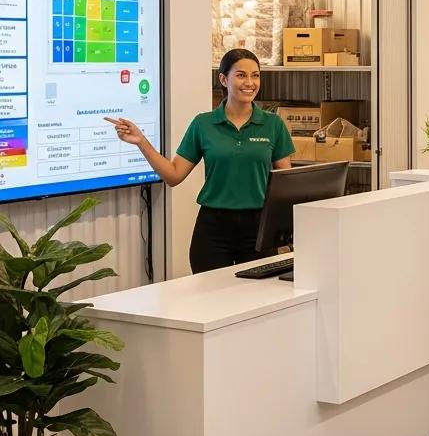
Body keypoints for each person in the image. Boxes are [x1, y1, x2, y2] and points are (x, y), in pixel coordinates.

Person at [106, 48, 294, 273]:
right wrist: (141, 142)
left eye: (256, 75)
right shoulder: (203, 124)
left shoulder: (273, 125)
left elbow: (286, 185)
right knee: (209, 301)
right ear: (223, 79)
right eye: (241, 75)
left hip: (259, 228)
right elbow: (174, 175)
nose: (250, 82)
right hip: (213, 228)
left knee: (259, 301)